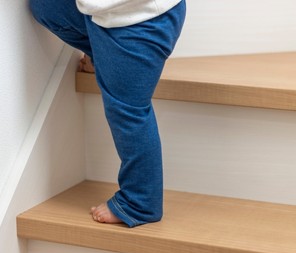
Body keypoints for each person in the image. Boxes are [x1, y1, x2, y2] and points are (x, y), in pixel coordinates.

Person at [29, 0, 186, 227]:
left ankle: (140, 202)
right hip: (104, 14)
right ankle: (103, 58)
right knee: (47, 6)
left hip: (141, 23)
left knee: (128, 112)